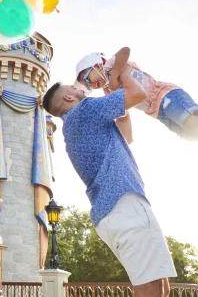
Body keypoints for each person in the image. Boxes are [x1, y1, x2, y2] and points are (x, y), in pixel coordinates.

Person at [42, 66, 176, 297]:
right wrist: (117, 70)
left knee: (158, 286)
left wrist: (108, 84)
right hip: (123, 203)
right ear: (68, 97)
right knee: (150, 288)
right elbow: (139, 93)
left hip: (118, 208)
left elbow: (126, 133)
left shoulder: (79, 124)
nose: (78, 87)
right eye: (73, 88)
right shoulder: (84, 112)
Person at [75, 47, 198, 140]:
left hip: (165, 95)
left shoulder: (110, 66)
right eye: (88, 86)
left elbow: (125, 50)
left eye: (87, 80)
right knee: (188, 134)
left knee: (189, 122)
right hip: (157, 111)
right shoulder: (107, 89)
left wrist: (115, 74)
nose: (91, 85)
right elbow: (117, 108)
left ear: (95, 65)